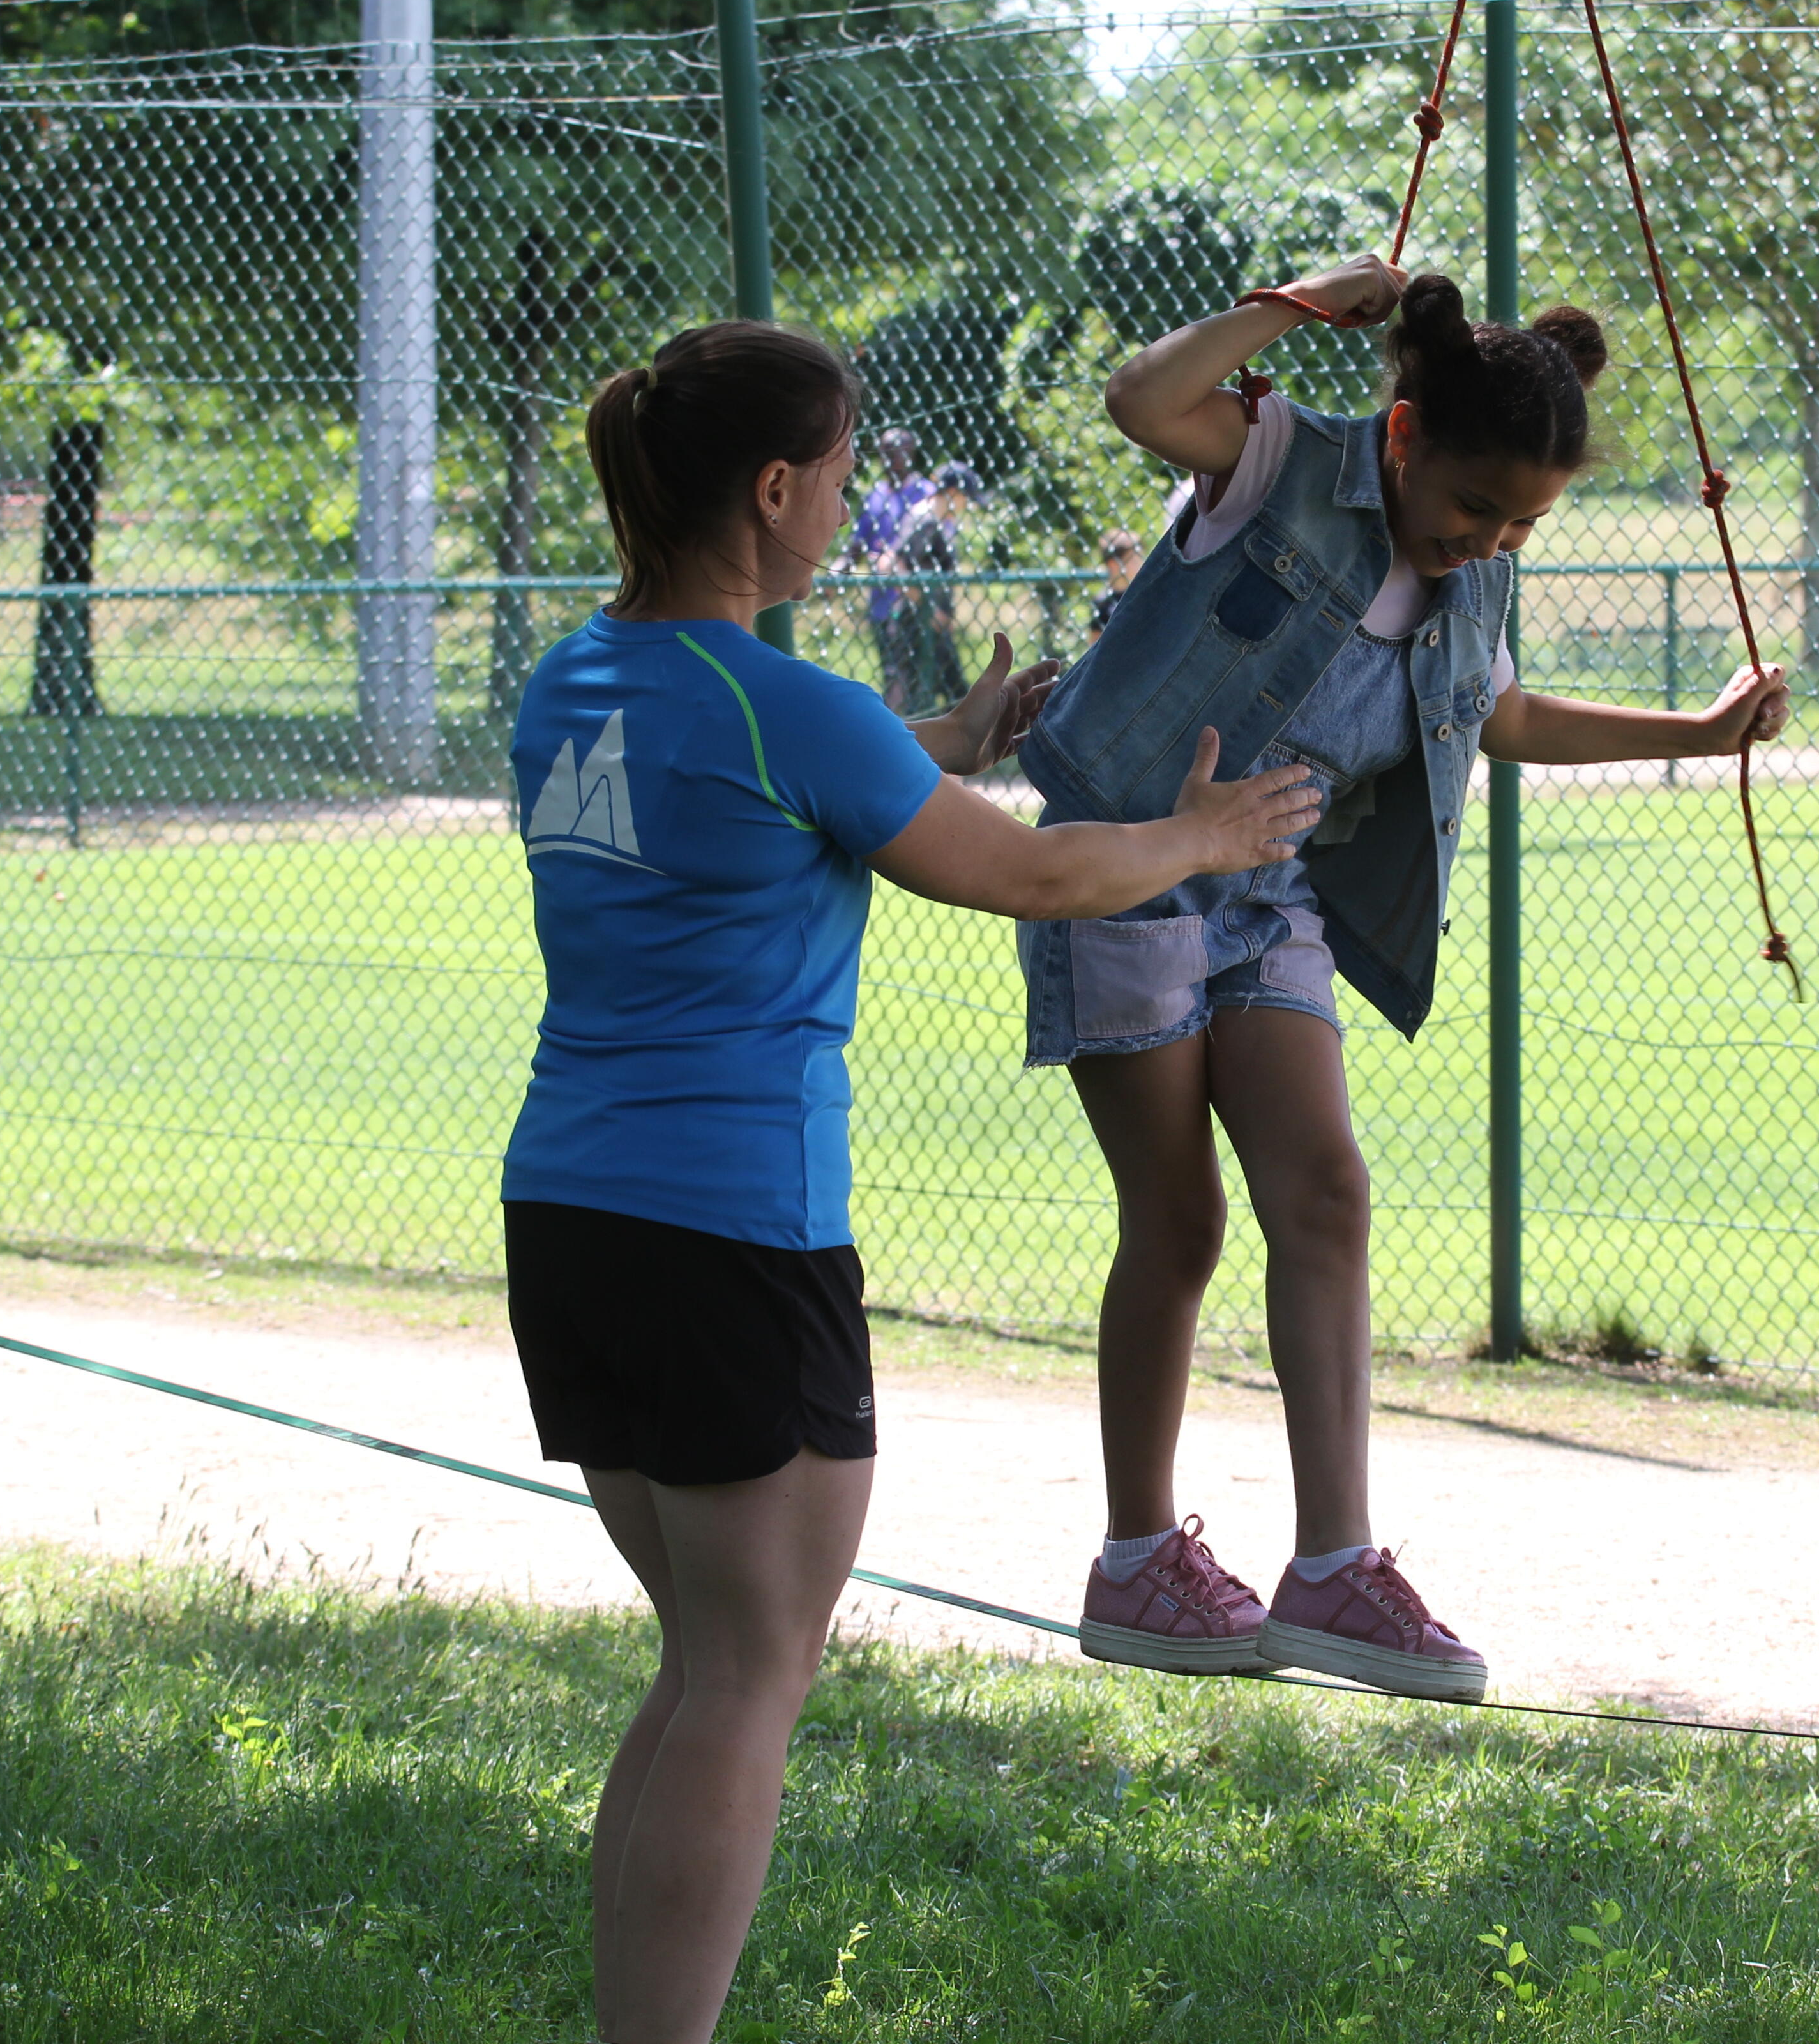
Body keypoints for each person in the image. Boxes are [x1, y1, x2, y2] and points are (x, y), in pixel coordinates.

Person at [507, 321, 1319, 2044]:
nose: (852, 502)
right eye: (839, 470)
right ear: (774, 490)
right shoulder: (790, 707)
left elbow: (750, 786)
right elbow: (1033, 876)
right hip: (730, 1231)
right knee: (750, 1677)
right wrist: (1207, 837)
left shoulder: (572, 679)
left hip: (570, 1218)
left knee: (706, 1666)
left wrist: (940, 733)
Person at [1017, 256, 1792, 1702]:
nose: (1485, 540)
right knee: (1178, 1220)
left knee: (1325, 1190)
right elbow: (1138, 398)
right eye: (1470, 505)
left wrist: (1697, 733)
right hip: (1125, 863)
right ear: (1400, 434)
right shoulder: (1275, 463)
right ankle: (1134, 1557)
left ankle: (1332, 1566)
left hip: (1267, 889)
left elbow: (1502, 715)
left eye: (1519, 523)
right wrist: (1298, 303)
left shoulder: (1474, 567)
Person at [846, 425, 934, 709]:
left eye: (899, 451)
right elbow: (857, 545)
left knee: (923, 672)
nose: (893, 458)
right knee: (892, 671)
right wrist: (838, 570)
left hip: (917, 599)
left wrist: (897, 560)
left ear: (912, 453)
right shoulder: (875, 496)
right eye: (887, 452)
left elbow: (938, 546)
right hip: (882, 600)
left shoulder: (926, 494)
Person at [881, 458, 978, 714]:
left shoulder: (936, 521)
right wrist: (931, 611)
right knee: (931, 696)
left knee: (947, 695)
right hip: (917, 623)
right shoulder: (926, 521)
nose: (966, 505)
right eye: (966, 498)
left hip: (928, 624)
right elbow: (895, 564)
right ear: (953, 493)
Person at [1087, 527, 1144, 644]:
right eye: (1134, 560)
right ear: (1114, 564)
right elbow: (1095, 644)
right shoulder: (1103, 603)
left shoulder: (1145, 595)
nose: (1141, 565)